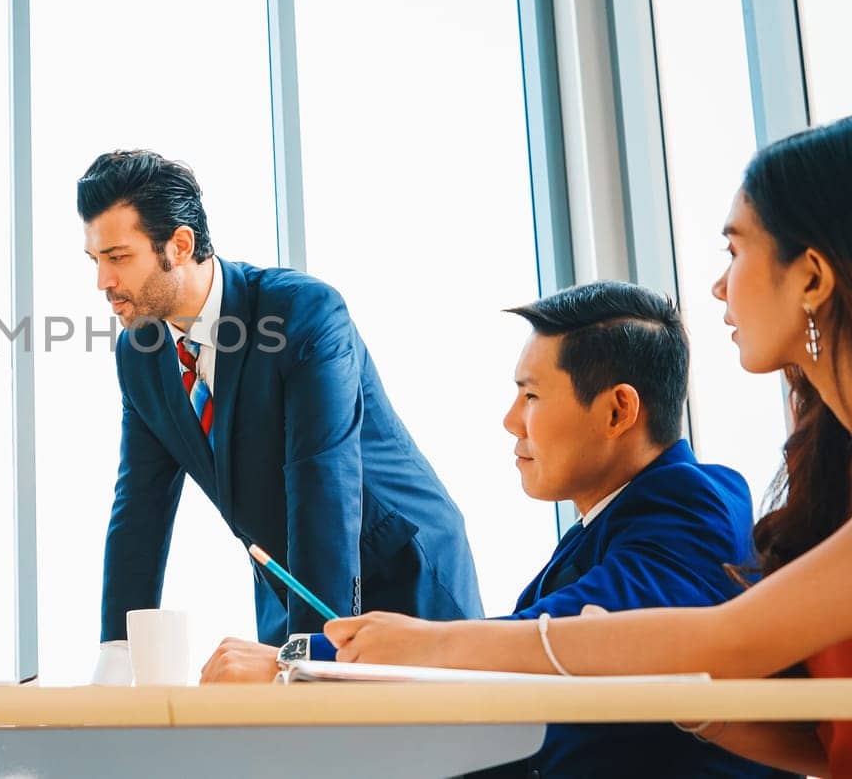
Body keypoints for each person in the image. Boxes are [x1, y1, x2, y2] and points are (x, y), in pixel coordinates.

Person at [322, 117, 852, 778]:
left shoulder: (689, 503)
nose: (719, 287)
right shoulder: (825, 474)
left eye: (735, 250)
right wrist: (689, 702)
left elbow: (728, 639)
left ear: (810, 278)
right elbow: (825, 749)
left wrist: (423, 643)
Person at [204, 281, 783, 777]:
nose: (511, 420)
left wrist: (296, 666)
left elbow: (573, 641)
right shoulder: (603, 526)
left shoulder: (695, 501)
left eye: (531, 395)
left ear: (617, 410)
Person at [79, 150, 481, 684]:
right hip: (289, 587)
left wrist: (307, 655)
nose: (103, 280)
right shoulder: (142, 351)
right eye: (95, 261)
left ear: (179, 245)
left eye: (118, 257)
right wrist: (116, 652)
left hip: (400, 581)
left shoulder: (301, 312)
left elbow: (324, 484)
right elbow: (140, 506)